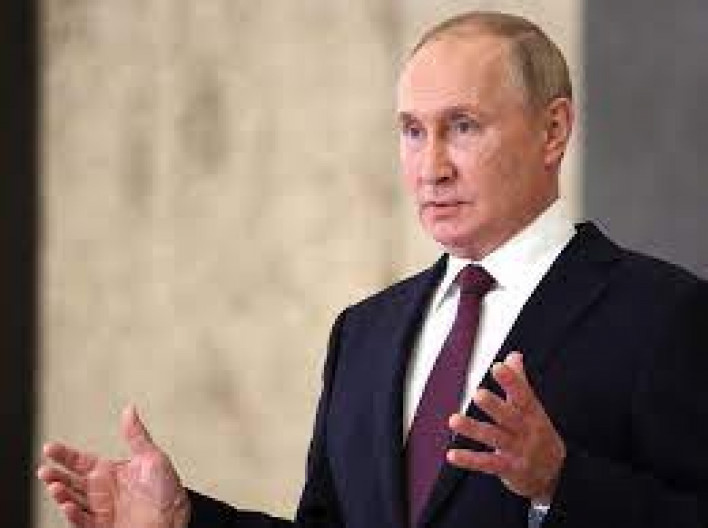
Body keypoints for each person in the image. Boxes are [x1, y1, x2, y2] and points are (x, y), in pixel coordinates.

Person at [38, 11, 708, 528]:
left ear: (553, 130)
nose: (431, 166)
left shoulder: (662, 315)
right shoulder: (364, 333)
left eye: (463, 126)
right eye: (413, 131)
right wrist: (185, 520)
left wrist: (561, 482)